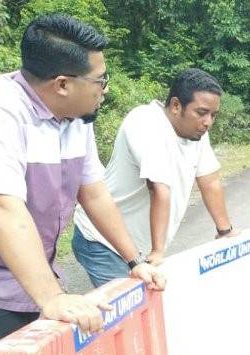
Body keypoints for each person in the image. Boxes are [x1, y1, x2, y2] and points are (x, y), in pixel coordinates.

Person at [0, 13, 164, 345]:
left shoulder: (76, 118)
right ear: (63, 84)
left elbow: (94, 193)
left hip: (34, 278)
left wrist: (134, 260)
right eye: (100, 80)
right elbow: (2, 207)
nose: (106, 90)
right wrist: (52, 298)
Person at [72, 68, 236, 287]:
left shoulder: (195, 132)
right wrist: (158, 252)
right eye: (202, 112)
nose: (208, 122)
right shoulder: (146, 122)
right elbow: (159, 188)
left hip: (139, 246)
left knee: (145, 307)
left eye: (213, 115)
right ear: (176, 105)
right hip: (103, 240)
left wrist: (225, 231)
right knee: (128, 311)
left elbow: (210, 181)